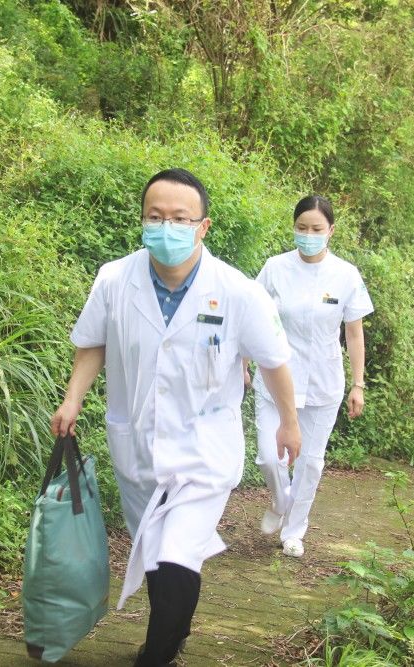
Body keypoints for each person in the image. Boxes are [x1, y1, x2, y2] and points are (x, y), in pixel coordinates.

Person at [50, 168, 302, 667]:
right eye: (155, 216)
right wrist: (73, 398)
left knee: (177, 552)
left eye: (179, 218)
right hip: (138, 443)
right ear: (142, 220)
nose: (166, 227)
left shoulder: (237, 290)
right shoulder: (114, 279)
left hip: (204, 450)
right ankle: (170, 634)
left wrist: (288, 422)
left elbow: (274, 361)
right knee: (156, 556)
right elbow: (91, 344)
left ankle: (159, 654)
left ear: (202, 226)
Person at [249, 195, 373, 558]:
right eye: (302, 228)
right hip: (275, 378)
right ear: (294, 228)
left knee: (311, 461)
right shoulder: (274, 268)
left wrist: (358, 383)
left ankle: (294, 530)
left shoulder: (346, 275)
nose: (308, 235)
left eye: (316, 229)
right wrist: (242, 361)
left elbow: (354, 333)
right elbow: (251, 317)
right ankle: (278, 500)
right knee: (270, 457)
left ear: (331, 231)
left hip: (323, 381)